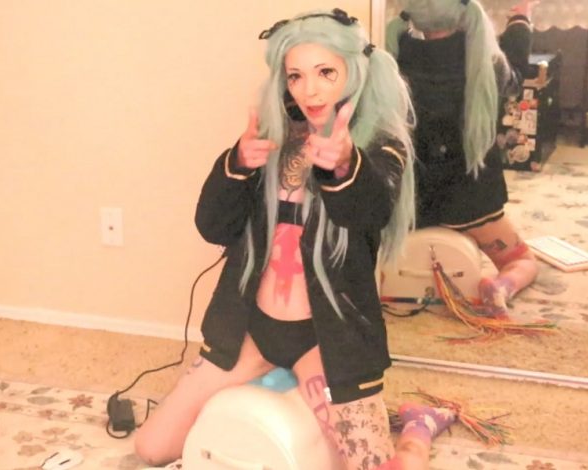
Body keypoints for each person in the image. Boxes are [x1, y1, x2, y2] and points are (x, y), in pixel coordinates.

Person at [135, 8, 455, 470]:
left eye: (326, 72)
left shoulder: (379, 145)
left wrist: (343, 164)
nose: (310, 90)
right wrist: (238, 164)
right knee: (151, 447)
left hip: (325, 343)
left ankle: (419, 428)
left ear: (353, 72)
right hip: (253, 331)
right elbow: (212, 227)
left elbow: (371, 210)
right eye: (296, 76)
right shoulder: (272, 139)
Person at [386, 0, 540, 319]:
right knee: (522, 261)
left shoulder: (393, 55)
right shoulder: (485, 59)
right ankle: (501, 287)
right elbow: (516, 71)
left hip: (413, 204)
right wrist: (521, 16)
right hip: (472, 204)